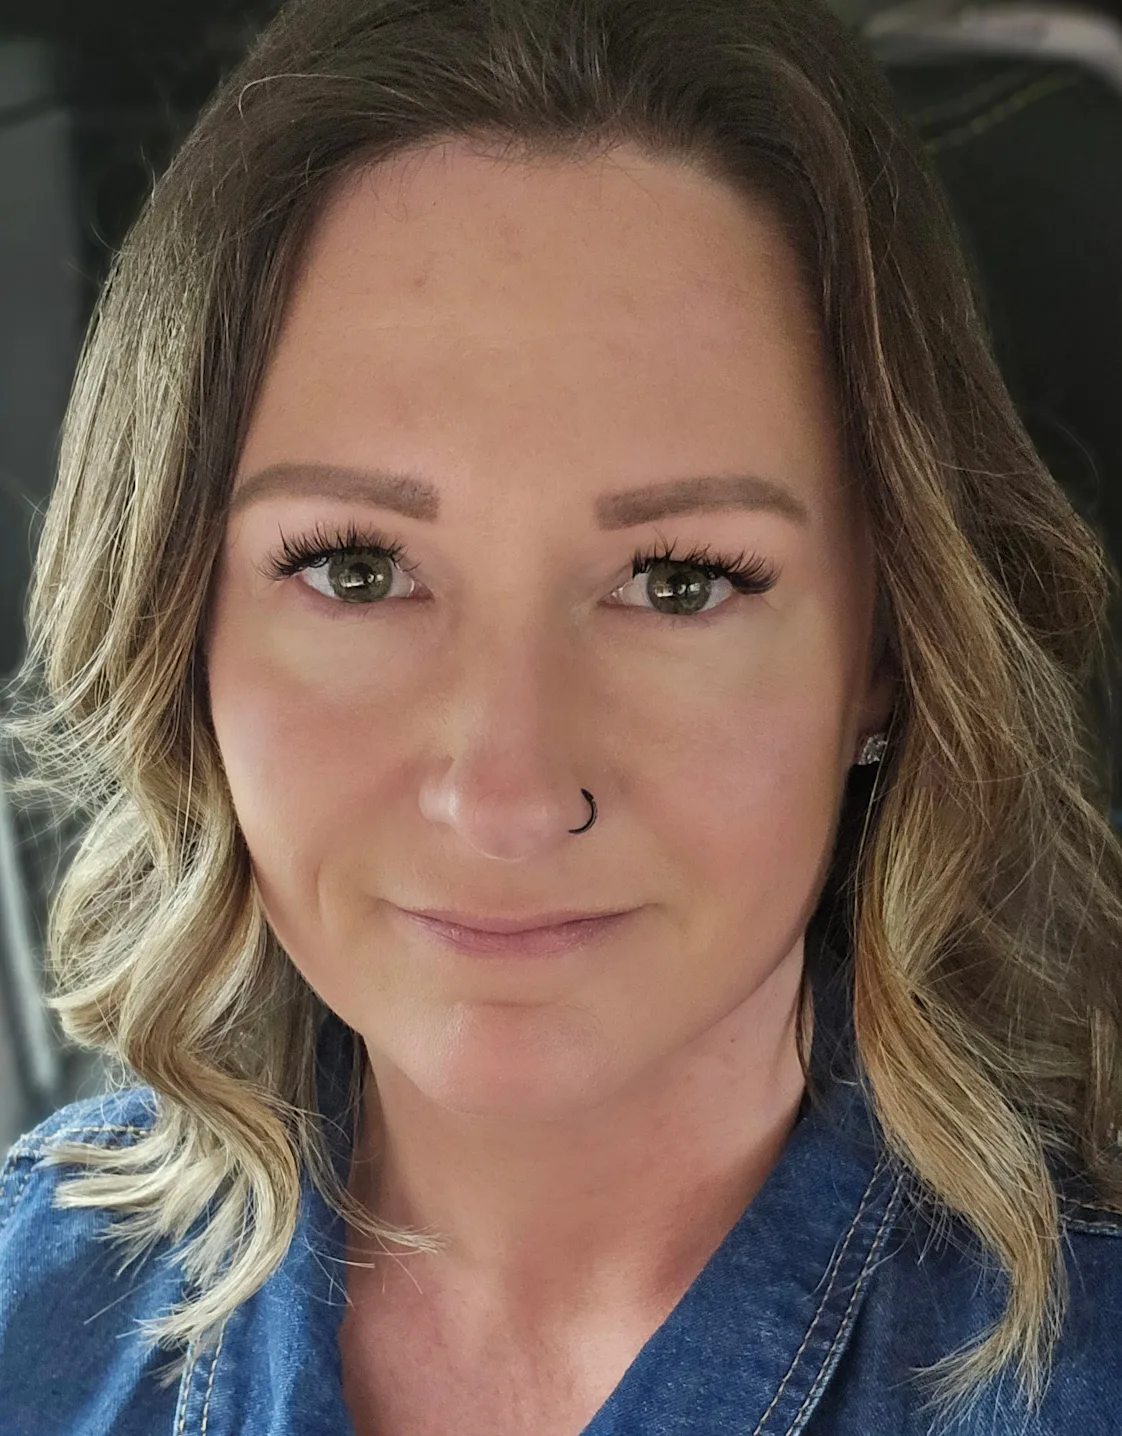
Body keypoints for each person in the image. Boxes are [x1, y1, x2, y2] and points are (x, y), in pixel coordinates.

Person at [2, 0, 1121, 1432]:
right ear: (177, 622)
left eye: (676, 581)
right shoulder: (29, 1304)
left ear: (886, 653)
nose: (507, 792)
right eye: (355, 570)